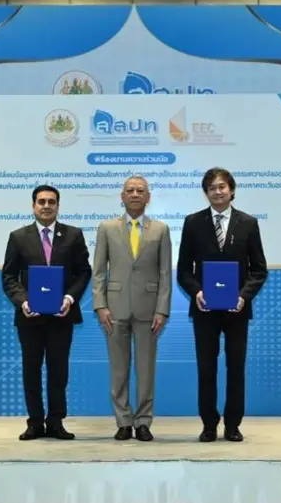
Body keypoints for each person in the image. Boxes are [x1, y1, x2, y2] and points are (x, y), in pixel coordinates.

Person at [176, 167, 268, 442]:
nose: (217, 192)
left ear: (231, 190)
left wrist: (243, 296)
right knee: (206, 369)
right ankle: (208, 424)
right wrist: (196, 292)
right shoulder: (193, 222)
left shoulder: (248, 223)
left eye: (222, 187)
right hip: (205, 310)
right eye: (212, 188)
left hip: (237, 310)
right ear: (206, 193)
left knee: (235, 368)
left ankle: (232, 424)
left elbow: (259, 270)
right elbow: (184, 270)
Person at [2, 184, 92, 441]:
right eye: (41, 201)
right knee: (31, 370)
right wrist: (23, 301)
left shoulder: (73, 235)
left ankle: (55, 422)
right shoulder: (18, 237)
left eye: (51, 202)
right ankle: (35, 422)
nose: (46, 206)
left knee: (58, 371)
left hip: (61, 316)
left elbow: (83, 272)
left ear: (58, 206)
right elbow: (9, 276)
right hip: (29, 317)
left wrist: (69, 298)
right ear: (33, 206)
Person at [92, 176, 172, 441]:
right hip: (114, 310)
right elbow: (99, 271)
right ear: (122, 196)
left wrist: (162, 309)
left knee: (145, 370)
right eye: (130, 190)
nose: (135, 194)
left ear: (148, 197)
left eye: (140, 190)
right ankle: (124, 421)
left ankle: (143, 422)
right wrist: (100, 305)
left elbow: (165, 273)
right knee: (119, 369)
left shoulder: (161, 229)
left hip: (149, 310)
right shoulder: (106, 228)